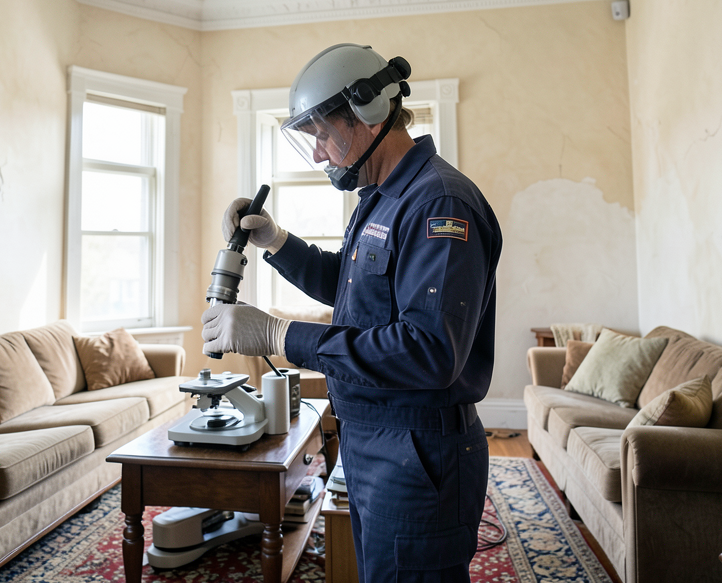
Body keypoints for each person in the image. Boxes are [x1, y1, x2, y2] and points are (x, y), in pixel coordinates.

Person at [202, 43, 503, 583]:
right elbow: (348, 287)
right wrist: (275, 240)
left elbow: (429, 352)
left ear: (366, 113)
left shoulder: (439, 204)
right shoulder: (380, 197)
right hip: (372, 443)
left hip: (417, 451)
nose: (318, 153)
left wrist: (277, 333)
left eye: (321, 132)